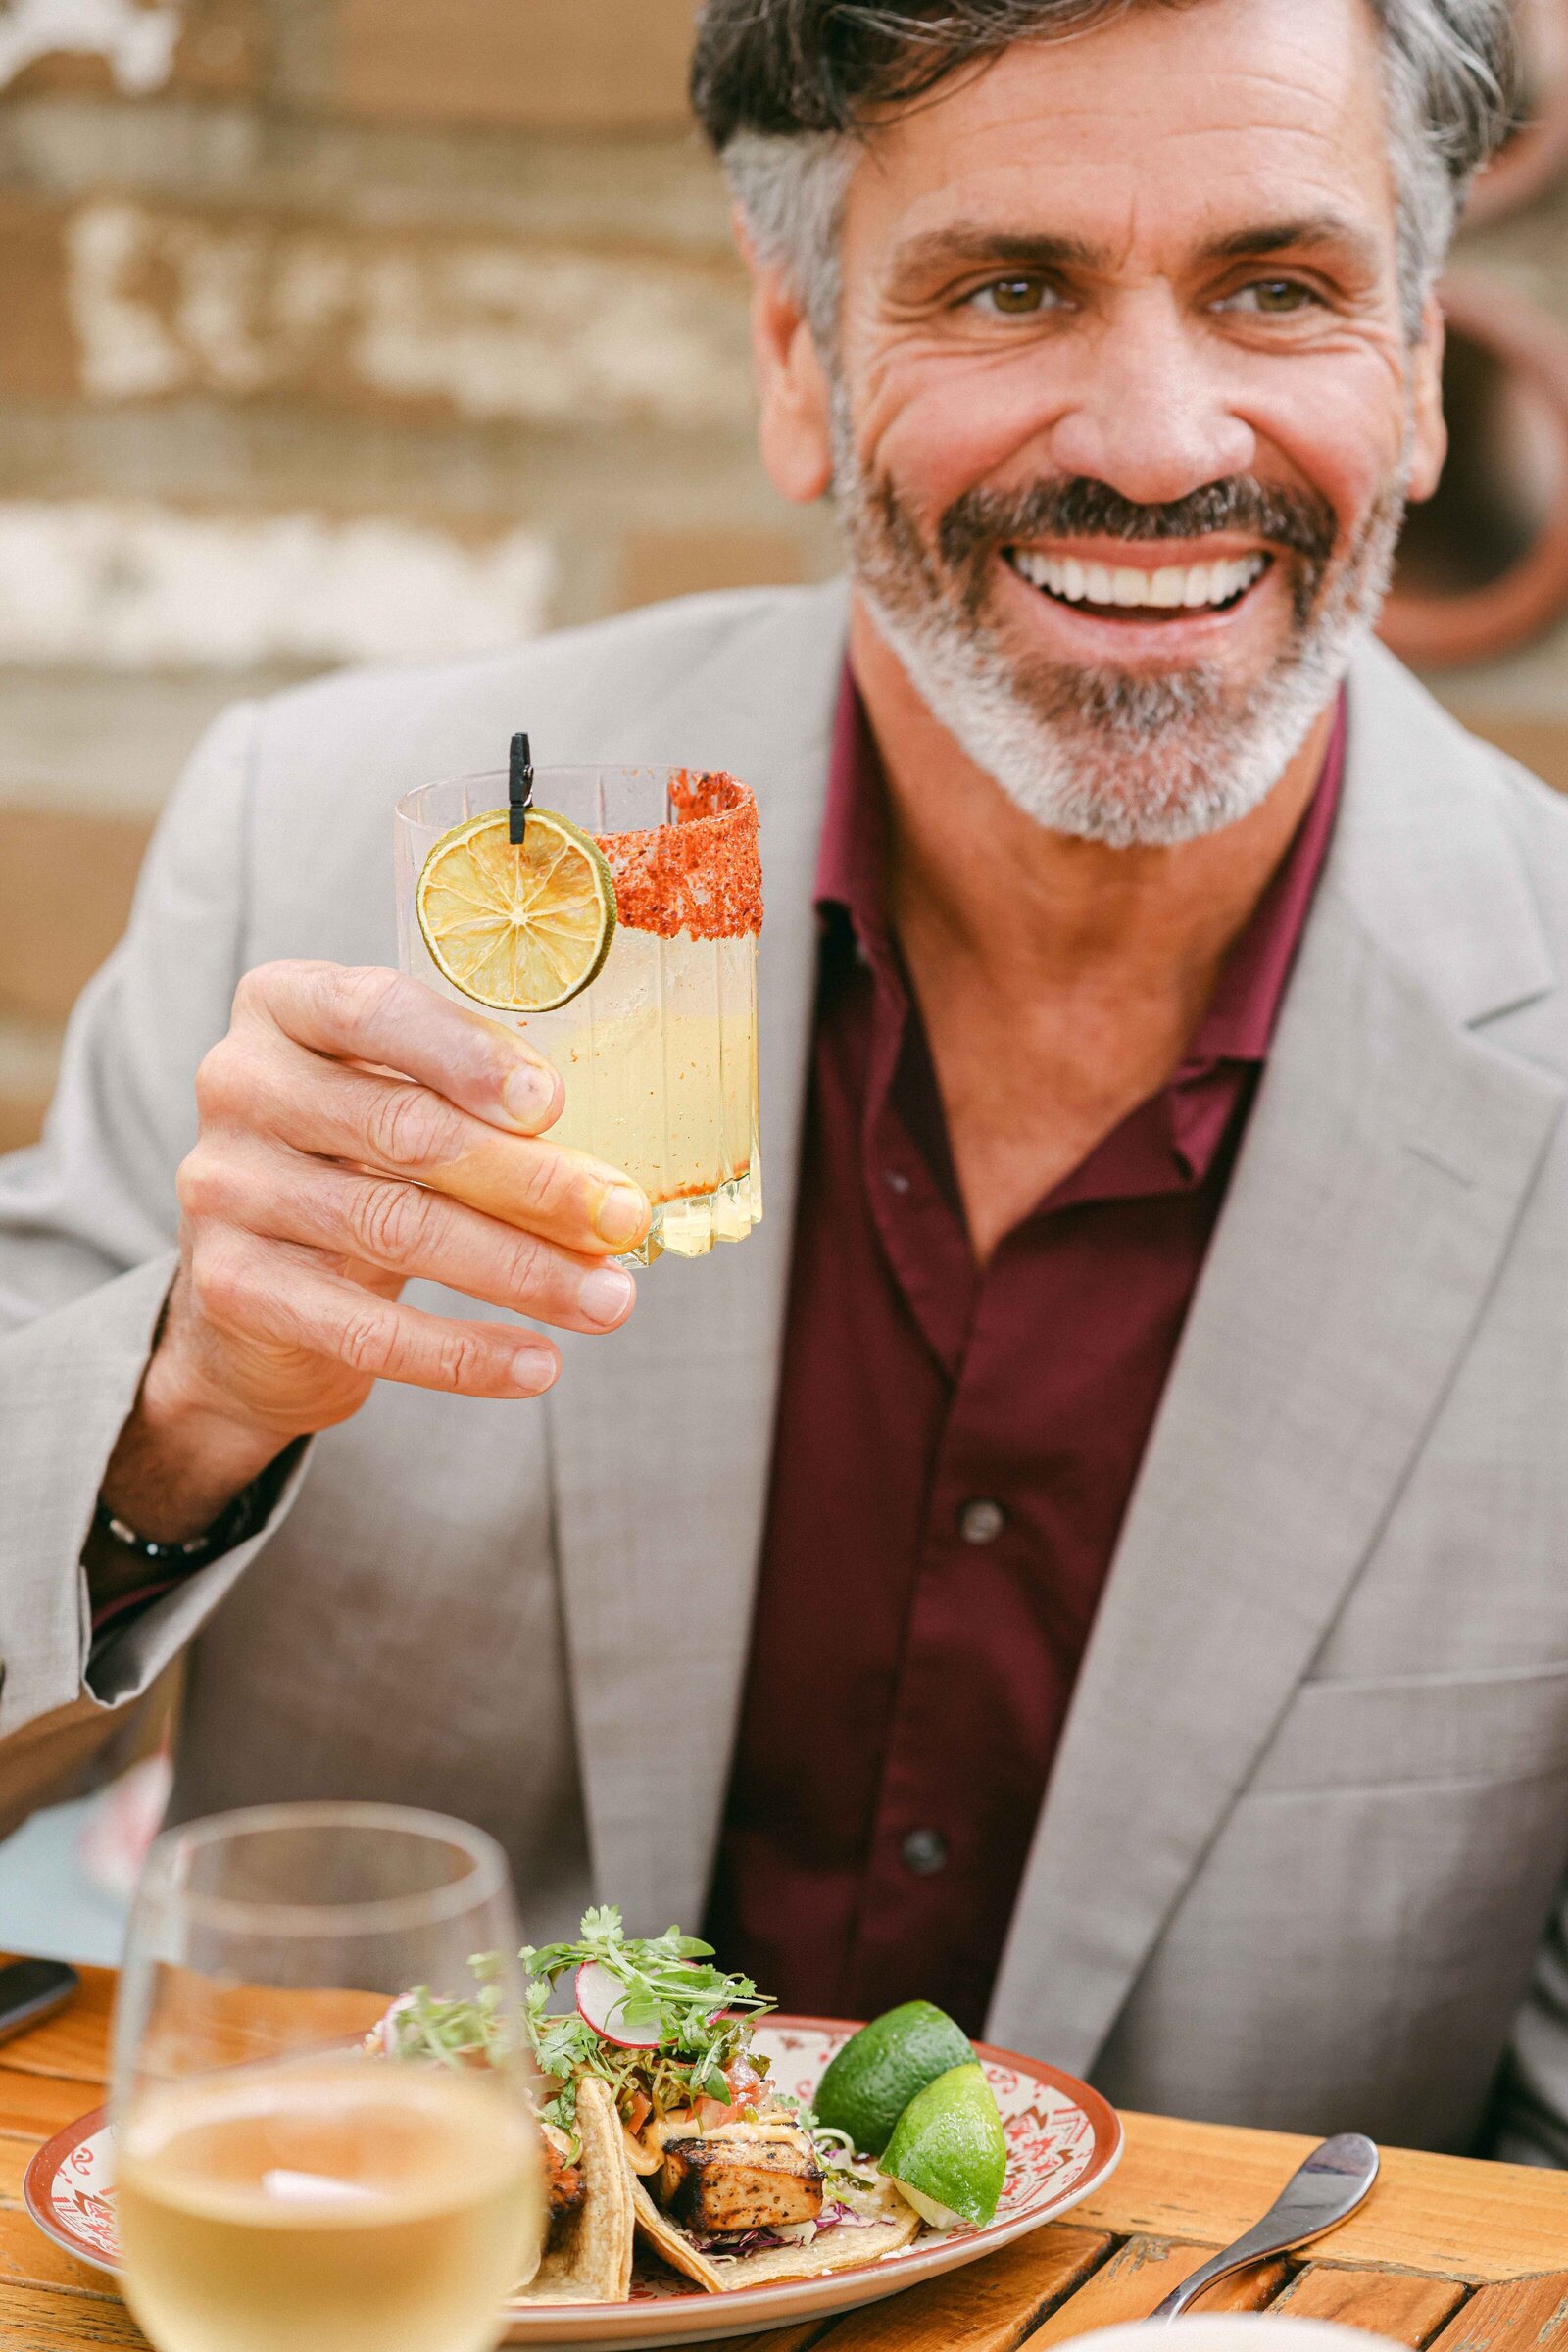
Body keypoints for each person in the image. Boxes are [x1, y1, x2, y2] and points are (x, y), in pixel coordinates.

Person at [2, 0, 1566, 2161]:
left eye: (1274, 288)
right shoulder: (332, 841)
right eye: (1007, 288)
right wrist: (172, 1419)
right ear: (794, 362)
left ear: (1409, 373)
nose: (1143, 433)